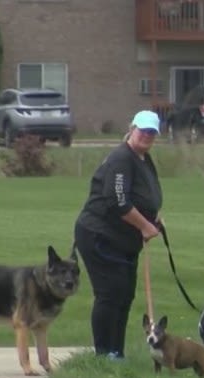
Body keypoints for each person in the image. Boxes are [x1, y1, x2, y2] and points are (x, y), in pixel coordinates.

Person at [73, 110, 163, 360]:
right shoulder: (122, 158)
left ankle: (117, 352)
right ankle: (104, 354)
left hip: (123, 239)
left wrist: (153, 218)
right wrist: (144, 226)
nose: (147, 135)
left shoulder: (143, 157)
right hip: (100, 236)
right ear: (132, 128)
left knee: (124, 294)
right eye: (143, 130)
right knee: (111, 294)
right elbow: (117, 201)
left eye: (152, 132)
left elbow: (143, 195)